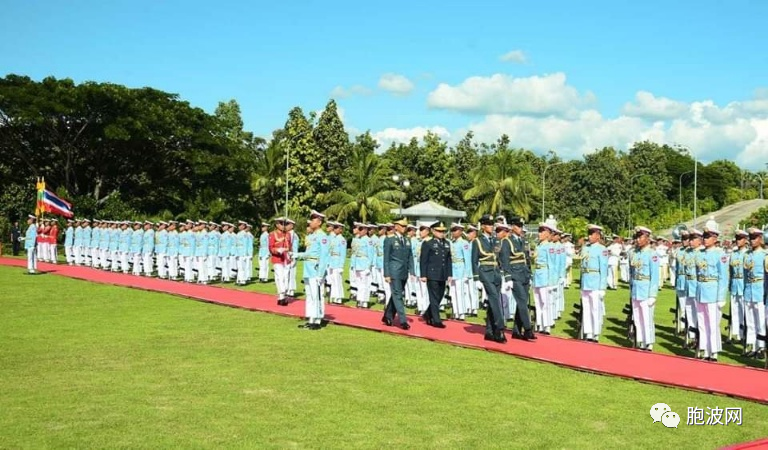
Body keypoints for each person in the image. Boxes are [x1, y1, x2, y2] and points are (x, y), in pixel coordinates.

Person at [695, 227, 728, 361]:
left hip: (713, 292)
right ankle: (704, 349)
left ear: (715, 239)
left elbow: (723, 277)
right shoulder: (700, 254)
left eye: (708, 237)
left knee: (713, 324)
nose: (705, 239)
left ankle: (713, 352)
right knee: (702, 323)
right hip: (701, 290)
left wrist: (721, 297)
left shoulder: (720, 254)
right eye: (704, 237)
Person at [294, 210, 331, 330]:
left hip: (316, 269)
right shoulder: (312, 236)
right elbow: (308, 253)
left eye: (313, 220)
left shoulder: (322, 237)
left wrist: (321, 273)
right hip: (308, 268)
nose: (311, 222)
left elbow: (324, 256)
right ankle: (311, 318)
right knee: (310, 295)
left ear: (319, 222)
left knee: (317, 295)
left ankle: (318, 319)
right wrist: (296, 254)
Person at [472, 214, 505, 342]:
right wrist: (476, 279)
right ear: (484, 226)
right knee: (494, 299)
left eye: (492, 224)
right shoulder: (478, 241)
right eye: (489, 224)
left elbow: (499, 257)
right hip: (485, 273)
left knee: (493, 303)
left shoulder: (495, 240)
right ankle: (500, 328)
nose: (492, 227)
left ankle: (489, 331)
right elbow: (474, 261)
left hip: (496, 273)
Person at [629, 226, 660, 351]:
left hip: (646, 289)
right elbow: (632, 272)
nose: (637, 240)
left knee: (647, 318)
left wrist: (652, 295)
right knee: (637, 317)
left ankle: (649, 342)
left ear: (647, 238)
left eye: (640, 237)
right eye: (636, 237)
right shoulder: (634, 253)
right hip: (636, 289)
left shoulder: (652, 254)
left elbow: (655, 276)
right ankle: (640, 340)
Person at [507, 217, 536, 340]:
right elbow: (504, 260)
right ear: (513, 226)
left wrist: (529, 274)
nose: (520, 228)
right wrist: (508, 277)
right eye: (518, 226)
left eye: (521, 226)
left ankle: (517, 330)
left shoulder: (524, 241)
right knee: (522, 301)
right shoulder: (507, 241)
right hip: (515, 275)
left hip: (524, 275)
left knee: (522, 303)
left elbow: (527, 259)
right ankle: (528, 329)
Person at [382, 218, 413, 330]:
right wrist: (387, 274)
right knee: (398, 296)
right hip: (394, 272)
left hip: (404, 272)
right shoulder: (389, 239)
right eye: (402, 226)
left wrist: (412, 271)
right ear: (396, 226)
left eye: (405, 226)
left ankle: (388, 315)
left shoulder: (407, 240)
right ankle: (403, 321)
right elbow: (386, 259)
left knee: (396, 295)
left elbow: (410, 256)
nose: (404, 228)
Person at [580, 224, 609, 342]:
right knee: (586, 308)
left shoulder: (602, 250)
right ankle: (588, 332)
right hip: (586, 281)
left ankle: (596, 332)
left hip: (596, 281)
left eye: (592, 234)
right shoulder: (585, 248)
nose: (589, 236)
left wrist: (602, 287)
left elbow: (604, 269)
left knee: (595, 309)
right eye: (589, 234)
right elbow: (582, 267)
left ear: (598, 236)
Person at [420, 221, 452, 328]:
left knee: (440, 296)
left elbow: (448, 260)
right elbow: (423, 260)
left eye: (443, 231)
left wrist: (449, 274)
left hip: (442, 274)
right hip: (432, 273)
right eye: (439, 231)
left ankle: (428, 314)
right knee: (433, 297)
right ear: (433, 231)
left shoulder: (447, 243)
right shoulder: (428, 243)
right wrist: (423, 275)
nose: (441, 233)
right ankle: (436, 320)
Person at [743, 227, 766, 359]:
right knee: (750, 321)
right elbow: (746, 274)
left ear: (760, 239)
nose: (752, 241)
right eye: (751, 238)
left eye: (754, 238)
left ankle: (761, 346)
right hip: (749, 289)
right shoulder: (747, 255)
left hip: (760, 289)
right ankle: (751, 346)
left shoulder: (764, 255)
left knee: (760, 321)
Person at [729, 230, 748, 343]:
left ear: (745, 240)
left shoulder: (747, 253)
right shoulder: (733, 254)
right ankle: (737, 334)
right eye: (737, 238)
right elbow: (731, 270)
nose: (738, 241)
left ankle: (745, 334)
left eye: (740, 239)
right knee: (735, 311)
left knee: (744, 311)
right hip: (735, 284)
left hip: (743, 283)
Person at [269, 218, 292, 305]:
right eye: (281, 223)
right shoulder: (272, 234)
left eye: (284, 224)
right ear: (277, 225)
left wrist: (291, 255)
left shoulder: (288, 234)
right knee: (280, 277)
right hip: (277, 258)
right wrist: (277, 250)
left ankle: (282, 296)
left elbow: (290, 246)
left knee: (286, 277)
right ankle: (282, 294)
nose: (283, 226)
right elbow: (271, 248)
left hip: (286, 258)